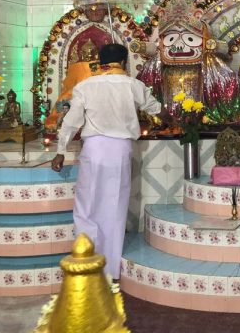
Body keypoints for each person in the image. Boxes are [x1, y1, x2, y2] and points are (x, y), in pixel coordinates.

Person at [51, 43, 161, 281]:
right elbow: (156, 110)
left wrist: (60, 150)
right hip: (119, 150)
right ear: (123, 63)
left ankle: (85, 263)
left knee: (86, 206)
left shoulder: (85, 86)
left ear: (101, 62)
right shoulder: (133, 85)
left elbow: (71, 122)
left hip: (93, 149)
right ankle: (109, 271)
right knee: (114, 207)